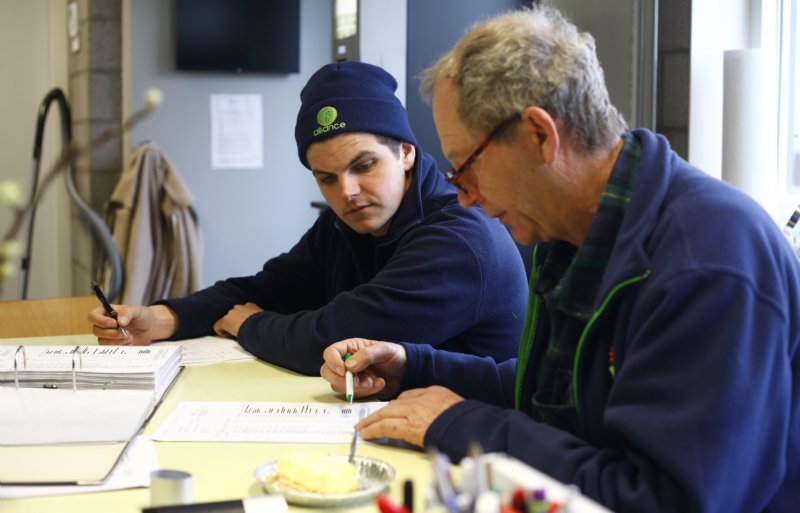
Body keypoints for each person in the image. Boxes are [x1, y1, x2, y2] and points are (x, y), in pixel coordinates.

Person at [320, 6, 800, 513]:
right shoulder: (570, 230)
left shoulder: (708, 259)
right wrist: (413, 366)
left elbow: (663, 498)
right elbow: (552, 397)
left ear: (540, 136)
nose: (465, 197)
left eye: (467, 169)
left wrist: (462, 424)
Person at [89, 61, 528, 375]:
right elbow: (265, 287)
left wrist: (250, 325)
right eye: (326, 177)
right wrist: (166, 317)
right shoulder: (349, 221)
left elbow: (336, 336)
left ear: (406, 153)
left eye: (364, 165)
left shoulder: (461, 237)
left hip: (475, 450)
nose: (347, 192)